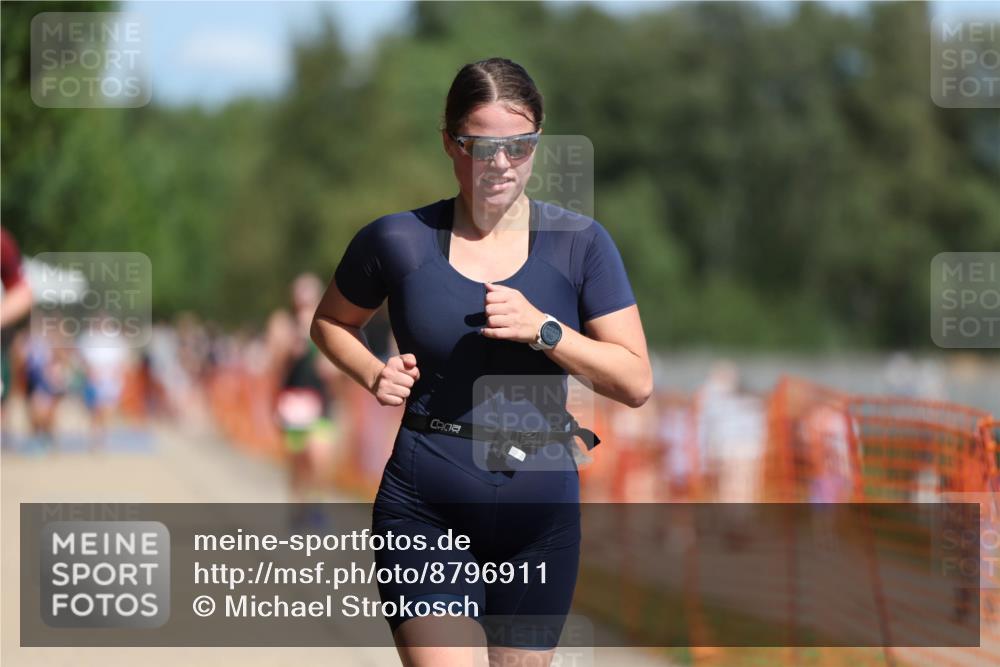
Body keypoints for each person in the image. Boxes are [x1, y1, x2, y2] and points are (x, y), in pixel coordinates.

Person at [311, 57, 652, 666]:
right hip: (426, 504)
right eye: (481, 146)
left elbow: (635, 381)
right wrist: (371, 372)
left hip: (539, 517)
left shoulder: (581, 245)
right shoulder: (397, 240)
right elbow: (332, 322)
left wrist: (546, 331)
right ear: (449, 142)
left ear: (538, 144)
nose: (499, 165)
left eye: (518, 147)